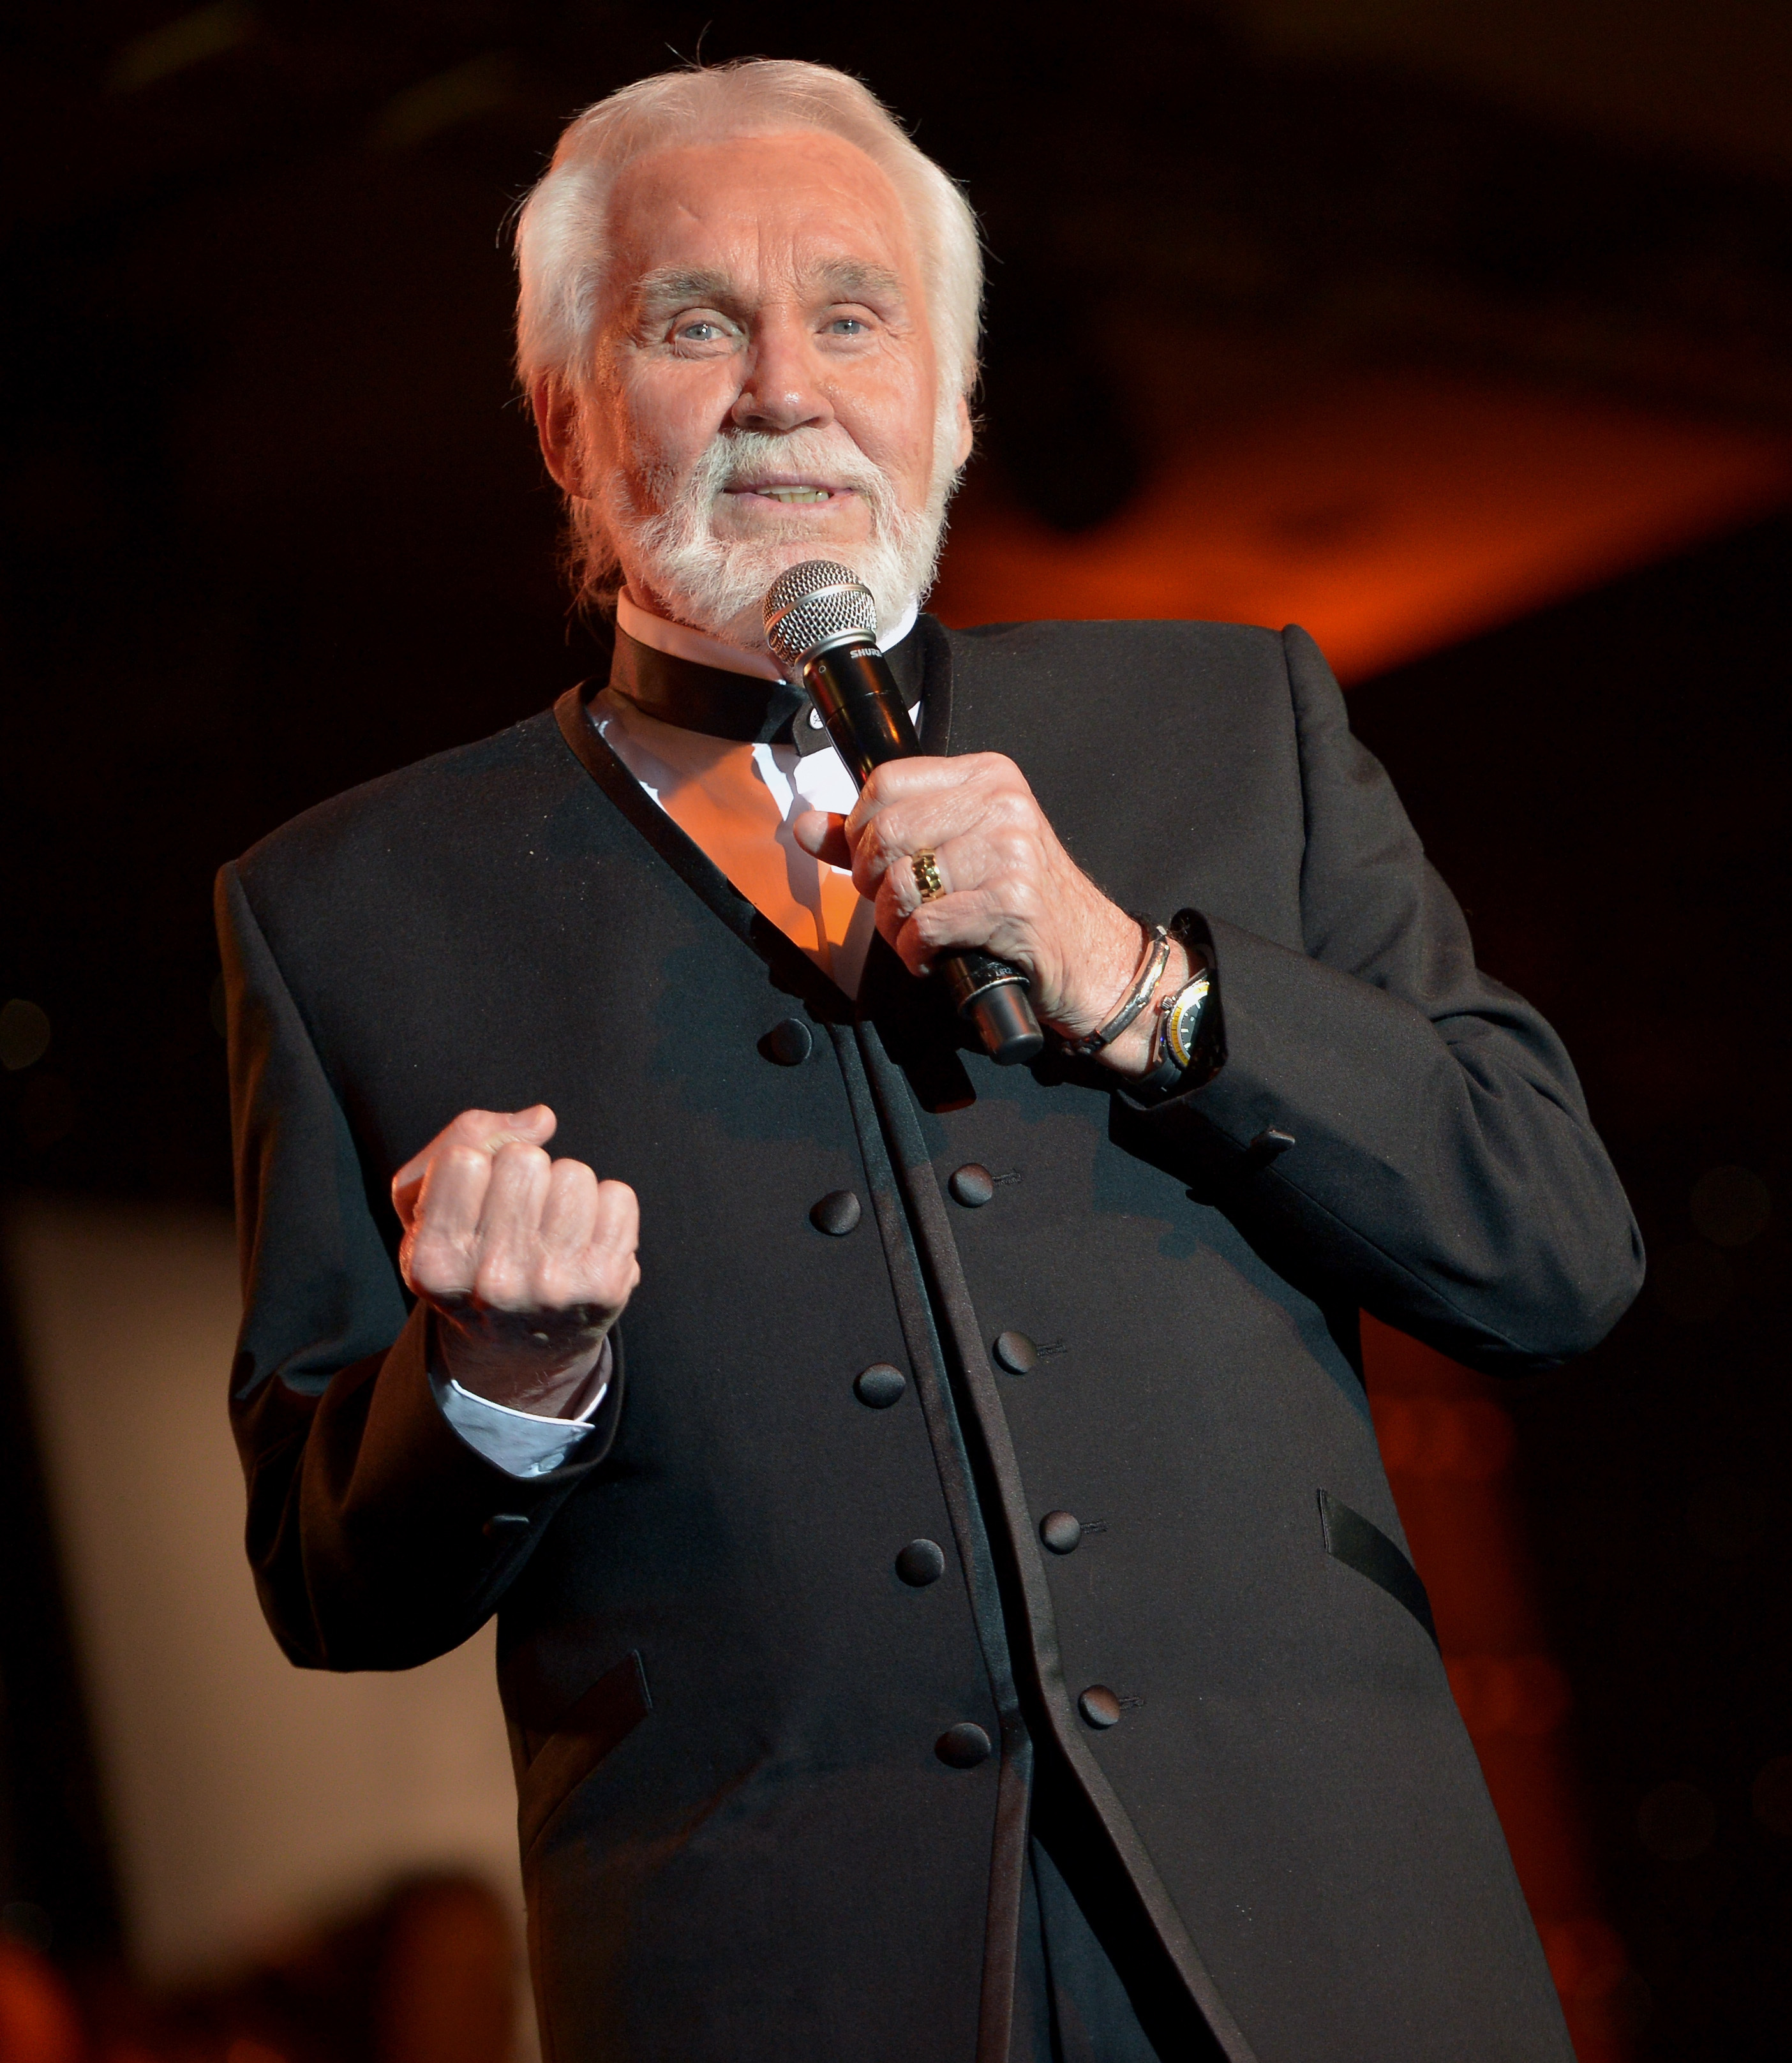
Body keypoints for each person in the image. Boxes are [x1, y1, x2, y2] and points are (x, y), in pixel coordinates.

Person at [218, 57, 1640, 2063]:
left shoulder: (1235, 729)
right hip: (782, 1978)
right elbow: (323, 1576)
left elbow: (1556, 1246)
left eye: (854, 317)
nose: (783, 386)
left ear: (954, 406)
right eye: (693, 323)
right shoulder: (350, 905)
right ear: (565, 415)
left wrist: (1138, 977)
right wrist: (496, 1382)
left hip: (1334, 1946)